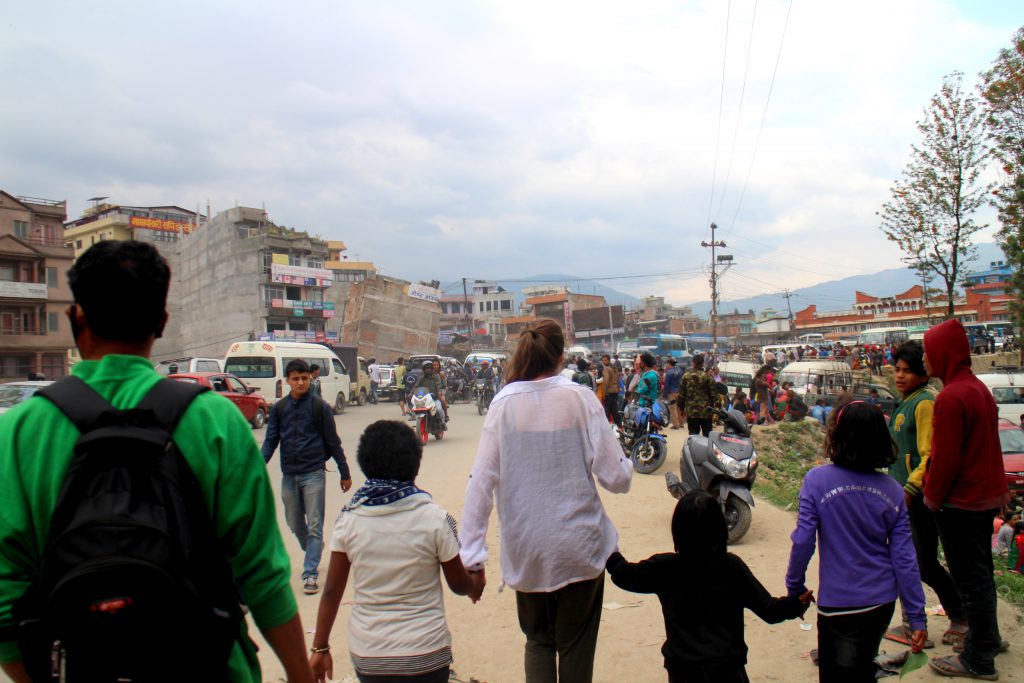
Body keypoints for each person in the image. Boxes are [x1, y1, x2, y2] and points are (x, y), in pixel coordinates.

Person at [0, 241, 313, 683]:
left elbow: (6, 588)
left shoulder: (18, 431)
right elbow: (263, 573)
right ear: (161, 323)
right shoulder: (215, 420)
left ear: (76, 318)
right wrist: (300, 675)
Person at [460, 319, 632, 683]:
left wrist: (472, 557)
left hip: (527, 548)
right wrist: (625, 465)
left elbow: (481, 482)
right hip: (579, 546)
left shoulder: (503, 404)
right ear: (560, 355)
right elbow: (617, 478)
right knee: (575, 645)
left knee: (538, 641)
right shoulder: (579, 397)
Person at [308, 421, 483, 683]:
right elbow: (459, 585)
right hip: (427, 654)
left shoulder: (349, 520)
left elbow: (332, 592)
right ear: (416, 464)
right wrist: (475, 583)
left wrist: (320, 647)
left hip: (369, 657)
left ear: (364, 464)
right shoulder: (435, 519)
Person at [786, 401, 928, 682]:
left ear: (836, 436)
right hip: (881, 603)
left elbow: (803, 540)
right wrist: (916, 616)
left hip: (836, 604)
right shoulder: (893, 491)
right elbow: (904, 558)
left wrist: (795, 586)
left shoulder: (816, 481)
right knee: (863, 667)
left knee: (836, 674)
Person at [608, 491, 813, 682]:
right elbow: (770, 611)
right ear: (719, 528)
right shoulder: (731, 567)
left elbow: (624, 574)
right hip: (726, 670)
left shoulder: (665, 567)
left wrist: (606, 547)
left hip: (682, 672)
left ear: (677, 530)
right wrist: (797, 604)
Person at [922, 319, 1011, 680]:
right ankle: (987, 637)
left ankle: (978, 657)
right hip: (984, 497)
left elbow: (946, 459)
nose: (925, 360)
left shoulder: (951, 397)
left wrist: (931, 497)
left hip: (961, 502)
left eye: (928, 353)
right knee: (981, 575)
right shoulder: (977, 390)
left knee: (969, 579)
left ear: (942, 354)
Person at [885, 340, 966, 648]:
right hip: (901, 494)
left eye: (908, 371)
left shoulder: (924, 403)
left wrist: (909, 488)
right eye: (897, 369)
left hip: (916, 496)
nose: (900, 376)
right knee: (911, 560)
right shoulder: (906, 401)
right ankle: (914, 622)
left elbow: (928, 453)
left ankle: (959, 615)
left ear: (923, 372)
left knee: (921, 562)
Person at [263, 358, 353, 595]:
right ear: (288, 381)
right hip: (289, 475)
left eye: (304, 378)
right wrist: (257, 465)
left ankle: (310, 573)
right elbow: (271, 440)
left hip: (314, 473)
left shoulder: (319, 407)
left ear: (309, 378)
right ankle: (314, 547)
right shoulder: (279, 409)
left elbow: (333, 442)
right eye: (295, 379)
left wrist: (344, 472)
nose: (301, 383)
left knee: (314, 523)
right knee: (294, 522)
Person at [679, 354, 717, 437]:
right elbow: (714, 395)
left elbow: (681, 395)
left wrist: (681, 409)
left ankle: (694, 450)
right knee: (707, 436)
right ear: (703, 364)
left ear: (693, 363)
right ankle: (707, 450)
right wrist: (717, 409)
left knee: (693, 436)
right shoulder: (708, 377)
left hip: (692, 412)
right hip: (706, 412)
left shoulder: (686, 376)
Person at [662, 358, 684, 429]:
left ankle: (675, 424)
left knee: (672, 409)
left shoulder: (669, 372)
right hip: (679, 391)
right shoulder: (680, 370)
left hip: (671, 392)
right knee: (679, 408)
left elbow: (667, 385)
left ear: (669, 364)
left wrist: (665, 395)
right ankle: (681, 423)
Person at [600, 354, 621, 426]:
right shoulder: (615, 368)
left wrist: (604, 393)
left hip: (608, 393)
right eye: (602, 360)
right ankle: (619, 427)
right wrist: (618, 388)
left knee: (607, 411)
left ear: (608, 360)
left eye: (605, 360)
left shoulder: (606, 369)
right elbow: (618, 379)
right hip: (615, 392)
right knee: (615, 411)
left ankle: (607, 428)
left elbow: (606, 381)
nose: (603, 362)